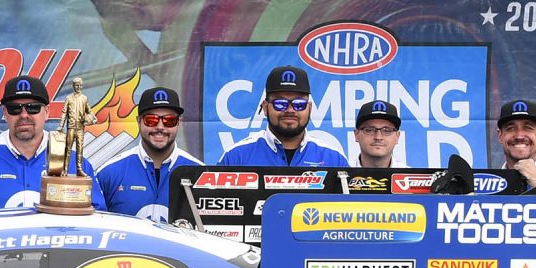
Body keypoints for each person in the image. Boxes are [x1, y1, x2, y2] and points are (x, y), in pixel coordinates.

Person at [0, 75, 96, 212]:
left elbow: (99, 219)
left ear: (47, 112)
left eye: (33, 108)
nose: (24, 115)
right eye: (15, 109)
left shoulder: (74, 163)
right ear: (5, 113)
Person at [95, 85, 201, 222]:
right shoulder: (110, 172)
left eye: (169, 120)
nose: (160, 127)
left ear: (179, 122)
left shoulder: (199, 173)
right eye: (151, 120)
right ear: (139, 121)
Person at [217, 65, 347, 167]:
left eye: (299, 104)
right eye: (280, 103)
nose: (290, 110)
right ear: (265, 107)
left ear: (310, 108)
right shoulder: (236, 156)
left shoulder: (334, 158)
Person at [350, 99, 404, 169]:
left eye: (387, 130)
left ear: (397, 136)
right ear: (356, 134)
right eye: (369, 130)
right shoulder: (338, 174)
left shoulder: (411, 176)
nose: (378, 137)